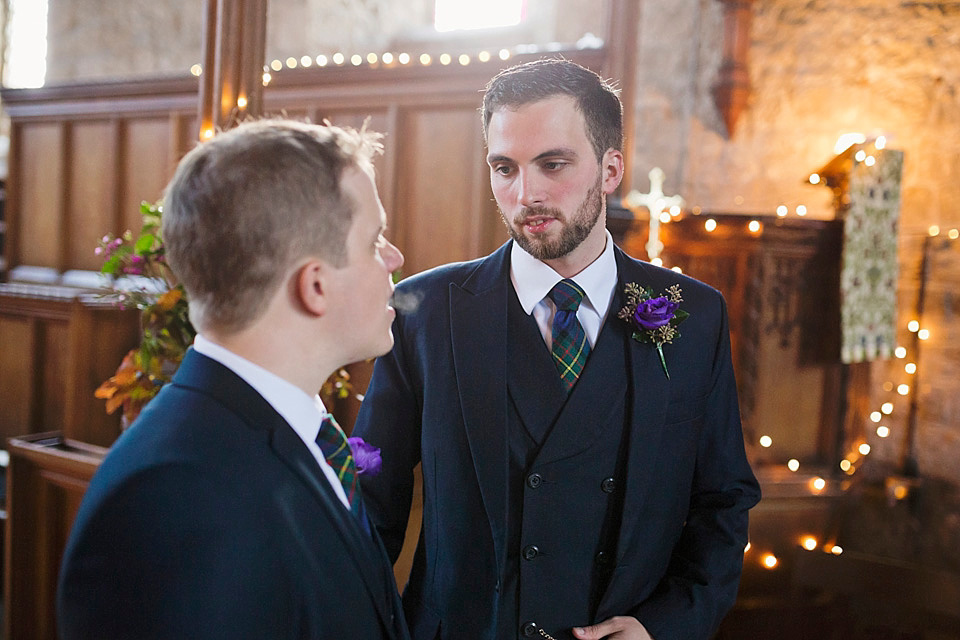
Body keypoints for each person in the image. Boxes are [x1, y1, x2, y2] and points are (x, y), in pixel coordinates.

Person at [352, 59, 761, 640]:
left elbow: (723, 499)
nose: (527, 194)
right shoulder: (425, 309)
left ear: (610, 167)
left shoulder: (692, 316)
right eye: (504, 168)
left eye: (553, 164)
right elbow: (371, 502)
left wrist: (662, 627)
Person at [57, 119, 409, 639]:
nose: (394, 259)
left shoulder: (288, 433)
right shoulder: (181, 500)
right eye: (375, 240)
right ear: (314, 285)